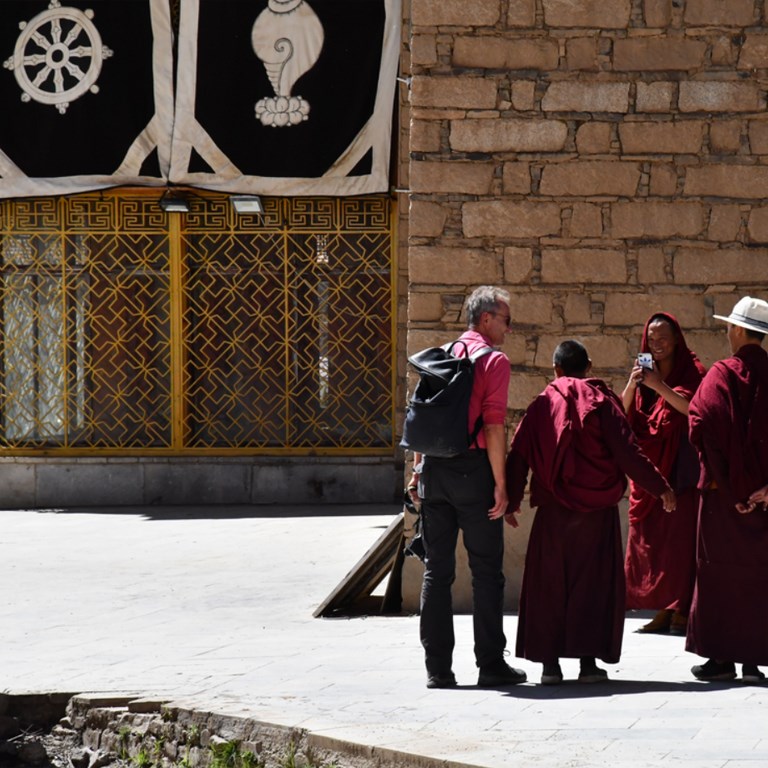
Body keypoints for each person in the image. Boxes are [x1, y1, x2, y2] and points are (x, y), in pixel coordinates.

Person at [504, 340, 676, 685]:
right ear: (590, 366)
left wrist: (511, 501)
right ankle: (587, 664)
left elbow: (519, 454)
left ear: (556, 370)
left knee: (549, 585)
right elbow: (629, 453)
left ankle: (550, 666)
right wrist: (661, 489)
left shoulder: (542, 405)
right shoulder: (603, 403)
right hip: (596, 514)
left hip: (554, 515)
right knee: (592, 586)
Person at [407, 286, 527, 689]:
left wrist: (416, 473)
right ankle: (490, 664)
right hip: (474, 471)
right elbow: (494, 427)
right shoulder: (493, 361)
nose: (509, 329)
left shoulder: (440, 354)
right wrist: (501, 484)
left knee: (436, 572)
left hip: (435, 473)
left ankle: (438, 670)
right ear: (487, 319)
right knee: (486, 573)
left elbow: (421, 419)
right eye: (506, 320)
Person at [686, 296, 768, 684]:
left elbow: (701, 425)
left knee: (717, 575)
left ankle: (721, 659)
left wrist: (732, 486)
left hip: (722, 496)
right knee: (759, 576)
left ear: (737, 330)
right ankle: (754, 661)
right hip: (764, 501)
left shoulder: (721, 373)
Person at [622, 313, 706, 636]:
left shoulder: (691, 370)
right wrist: (634, 383)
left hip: (680, 469)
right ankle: (664, 609)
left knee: (679, 542)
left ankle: (682, 610)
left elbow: (692, 407)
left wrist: (659, 385)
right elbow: (623, 411)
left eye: (663, 339)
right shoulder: (645, 373)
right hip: (650, 469)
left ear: (676, 340)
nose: (656, 346)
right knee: (651, 541)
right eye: (651, 339)